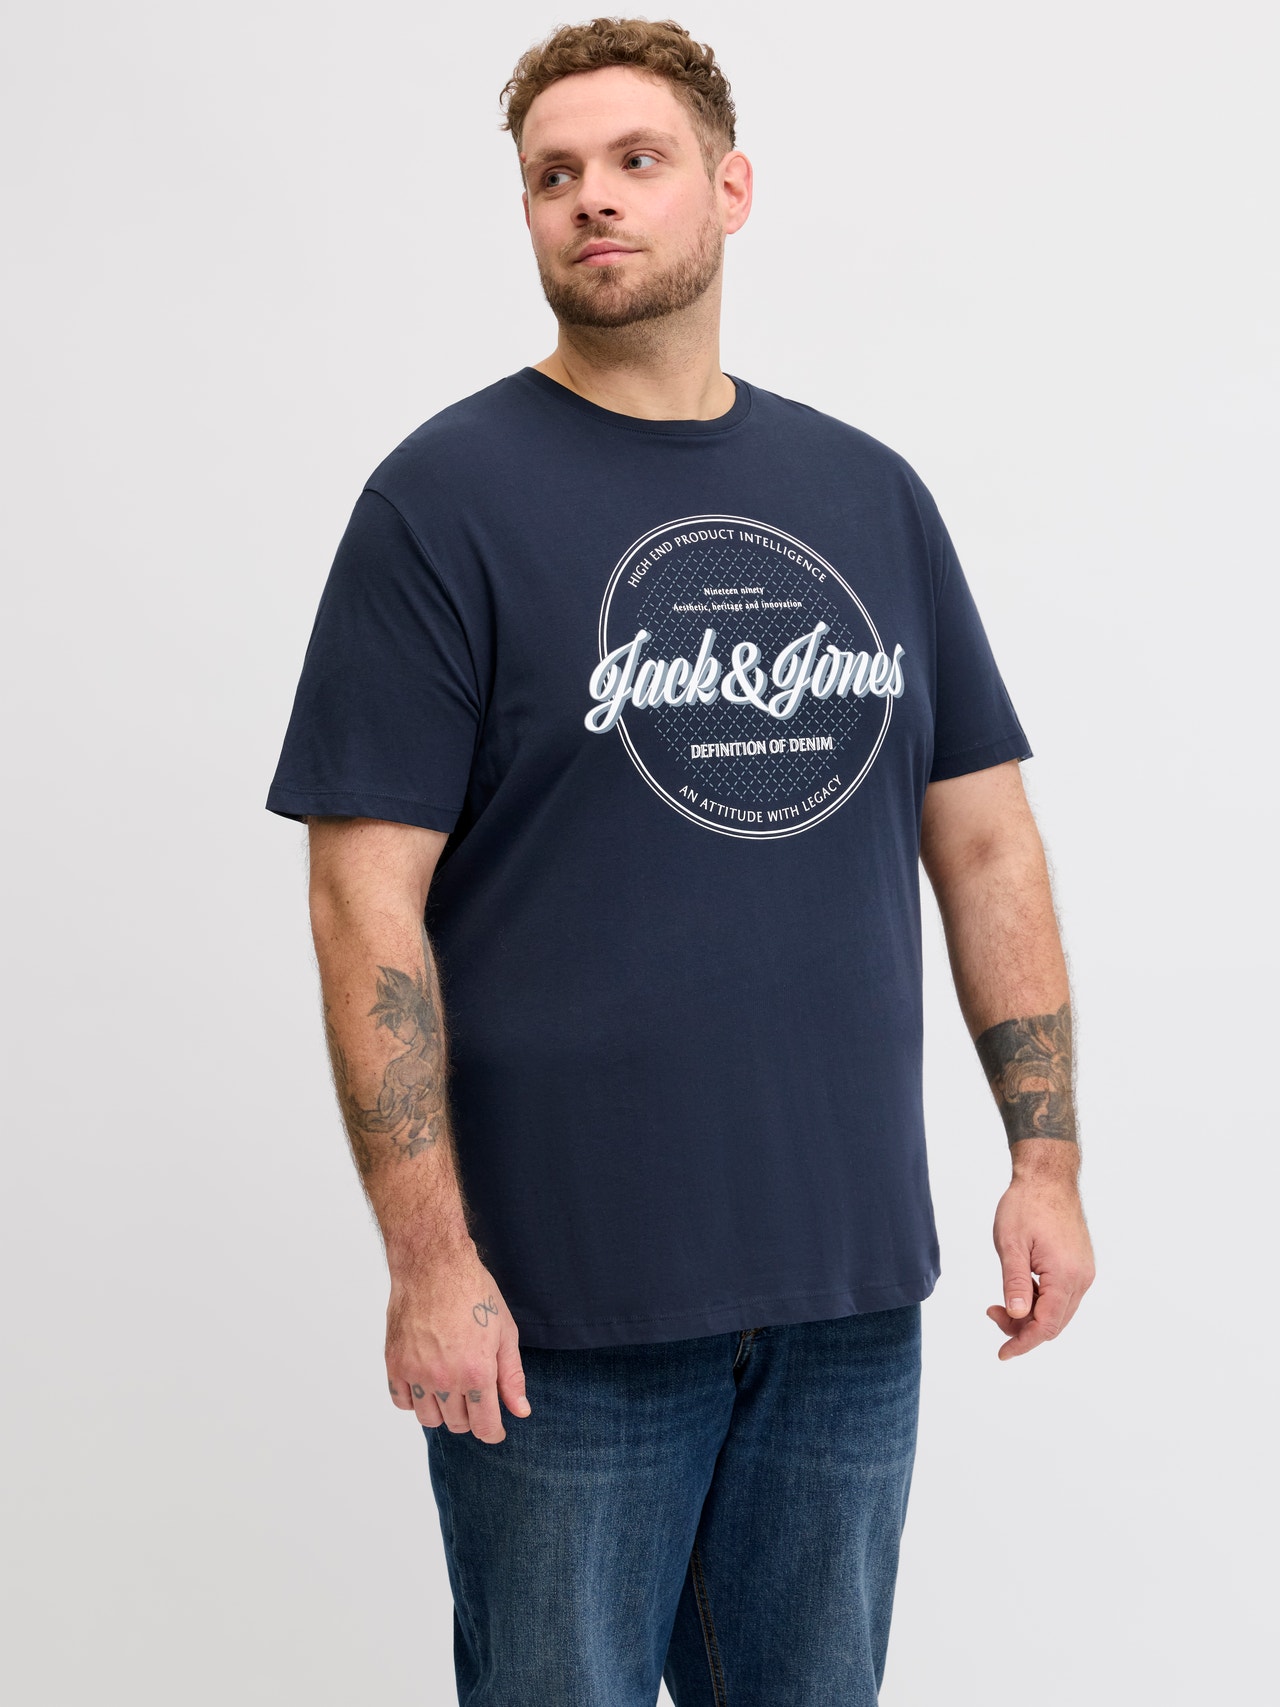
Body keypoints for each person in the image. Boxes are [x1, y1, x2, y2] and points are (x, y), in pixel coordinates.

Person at [265, 17, 1096, 1705]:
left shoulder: (868, 496)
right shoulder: (440, 503)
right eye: (553, 175)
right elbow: (365, 902)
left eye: (636, 161)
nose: (593, 199)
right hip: (557, 1317)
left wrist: (1048, 1162)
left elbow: (986, 837)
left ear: (729, 188)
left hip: (845, 1295)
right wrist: (429, 1261)